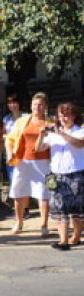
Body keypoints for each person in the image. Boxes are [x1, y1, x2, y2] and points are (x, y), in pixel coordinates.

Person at [7, 92, 53, 236]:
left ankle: (44, 224)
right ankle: (19, 222)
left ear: (46, 107)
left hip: (45, 162)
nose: (37, 107)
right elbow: (10, 139)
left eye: (40, 105)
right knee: (19, 192)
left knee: (44, 194)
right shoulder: (22, 121)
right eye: (35, 104)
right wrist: (9, 152)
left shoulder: (51, 122)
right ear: (31, 105)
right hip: (23, 160)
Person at [40, 102, 84, 250]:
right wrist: (41, 135)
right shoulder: (53, 134)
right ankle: (63, 240)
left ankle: (75, 237)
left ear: (73, 116)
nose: (63, 119)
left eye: (66, 116)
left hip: (75, 173)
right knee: (58, 208)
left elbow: (79, 144)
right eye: (60, 116)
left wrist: (62, 134)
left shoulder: (80, 131)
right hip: (54, 174)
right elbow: (39, 148)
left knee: (76, 210)